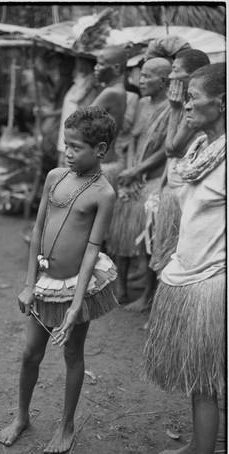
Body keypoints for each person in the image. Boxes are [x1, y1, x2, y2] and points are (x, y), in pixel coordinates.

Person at [0, 107, 118, 454]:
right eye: (66, 145)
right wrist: (29, 283)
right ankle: (22, 417)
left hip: (75, 286)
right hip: (45, 283)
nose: (67, 152)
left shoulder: (103, 193)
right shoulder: (54, 177)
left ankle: (66, 424)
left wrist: (77, 305)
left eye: (76, 147)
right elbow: (36, 231)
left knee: (73, 353)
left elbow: (93, 248)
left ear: (100, 149)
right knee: (30, 353)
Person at [143, 63, 226, 454]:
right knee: (197, 379)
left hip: (212, 280)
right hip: (186, 271)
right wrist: (185, 114)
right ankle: (198, 447)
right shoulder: (201, 146)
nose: (188, 100)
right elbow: (174, 150)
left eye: (195, 95)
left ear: (223, 102)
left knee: (206, 383)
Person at [106, 57, 171, 310]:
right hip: (134, 176)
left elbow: (166, 150)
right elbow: (134, 139)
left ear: (163, 81)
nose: (140, 81)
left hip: (155, 181)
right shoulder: (142, 103)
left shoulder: (172, 108)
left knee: (149, 240)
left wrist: (139, 171)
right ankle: (120, 288)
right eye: (140, 76)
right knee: (120, 230)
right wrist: (131, 171)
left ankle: (147, 295)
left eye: (146, 76)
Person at [150, 49, 210, 275]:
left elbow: (171, 149)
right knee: (165, 244)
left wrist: (175, 110)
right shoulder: (190, 103)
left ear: (193, 75)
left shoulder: (192, 107)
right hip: (174, 185)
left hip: (185, 188)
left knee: (176, 247)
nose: (171, 76)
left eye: (176, 70)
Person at [90, 46, 128, 191]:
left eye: (100, 64)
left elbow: (78, 121)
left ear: (116, 68)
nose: (96, 68)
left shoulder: (111, 92)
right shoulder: (119, 91)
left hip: (101, 162)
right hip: (106, 158)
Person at [57, 57, 101, 168]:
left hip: (77, 132)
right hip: (67, 129)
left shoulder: (92, 84)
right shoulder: (78, 82)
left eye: (80, 62)